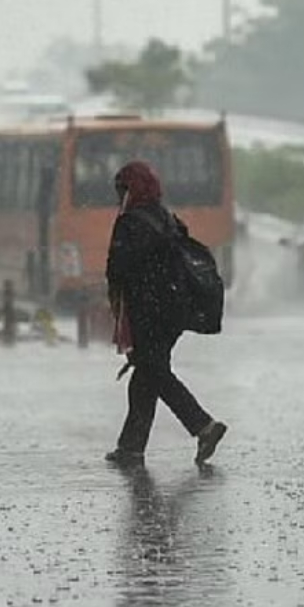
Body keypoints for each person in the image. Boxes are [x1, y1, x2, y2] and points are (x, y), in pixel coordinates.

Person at [103, 161, 228, 466]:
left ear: (130, 190)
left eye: (121, 189)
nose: (118, 196)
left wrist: (115, 301)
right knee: (146, 374)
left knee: (155, 372)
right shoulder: (166, 218)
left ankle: (203, 426)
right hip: (174, 311)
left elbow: (118, 268)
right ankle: (131, 447)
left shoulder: (130, 223)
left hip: (148, 311)